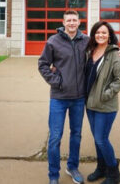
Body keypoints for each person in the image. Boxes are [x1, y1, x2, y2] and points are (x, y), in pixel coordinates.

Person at [38, 9, 89, 184]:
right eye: (69, 21)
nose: (72, 23)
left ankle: (72, 166)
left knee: (76, 134)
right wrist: (57, 81)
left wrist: (118, 49)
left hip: (79, 97)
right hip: (59, 98)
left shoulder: (86, 41)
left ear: (79, 22)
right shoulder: (53, 41)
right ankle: (53, 175)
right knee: (55, 137)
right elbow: (43, 64)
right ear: (63, 22)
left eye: (75, 20)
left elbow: (103, 47)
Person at [84, 21, 120, 184]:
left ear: (109, 36)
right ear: (93, 35)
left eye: (104, 33)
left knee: (101, 139)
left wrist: (104, 95)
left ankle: (114, 174)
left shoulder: (115, 55)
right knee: (97, 139)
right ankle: (101, 169)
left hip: (105, 105)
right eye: (97, 32)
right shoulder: (90, 51)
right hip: (90, 104)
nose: (100, 35)